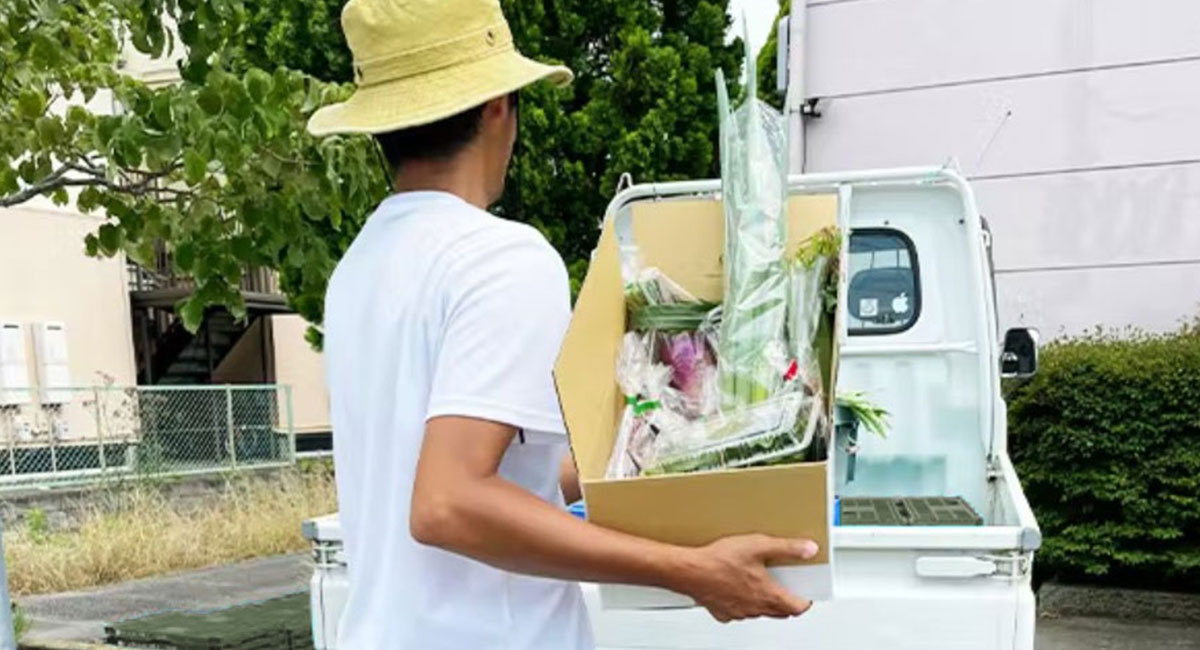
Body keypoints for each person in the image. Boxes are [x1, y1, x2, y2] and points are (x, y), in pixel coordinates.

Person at [309, 1, 820, 648]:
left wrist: (667, 444)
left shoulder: (359, 268)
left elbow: (498, 477)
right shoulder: (500, 258)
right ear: (499, 106)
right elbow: (446, 503)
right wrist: (690, 570)